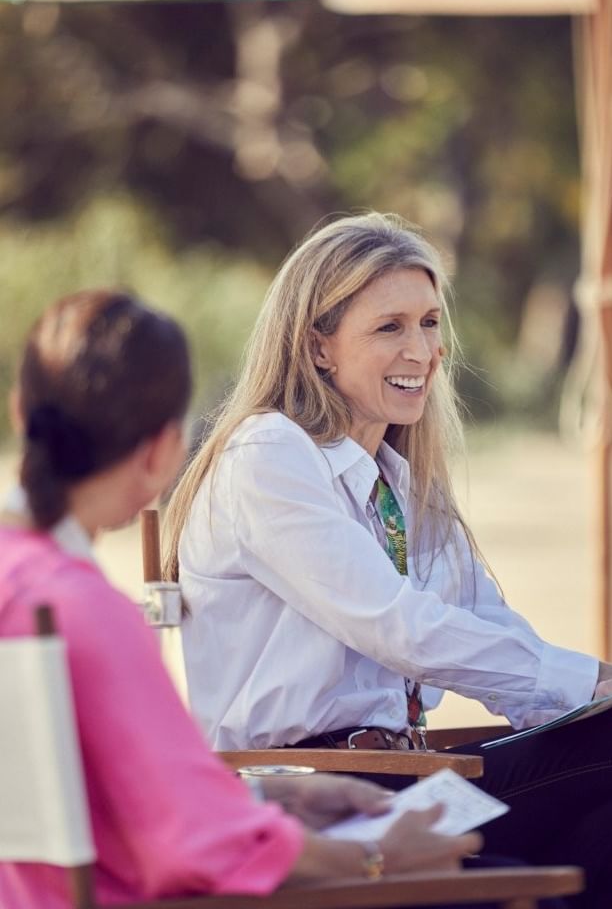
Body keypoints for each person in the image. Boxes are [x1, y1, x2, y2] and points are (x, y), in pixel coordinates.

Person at [167, 212, 612, 909]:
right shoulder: (269, 454)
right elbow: (399, 626)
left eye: (430, 323)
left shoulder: (401, 485)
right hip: (319, 794)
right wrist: (598, 689)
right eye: (390, 327)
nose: (422, 350)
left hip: (413, 771)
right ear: (318, 348)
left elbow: (493, 631)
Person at [0, 288, 484, 909]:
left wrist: (279, 796)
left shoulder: (29, 592)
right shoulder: (84, 613)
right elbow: (199, 846)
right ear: (162, 452)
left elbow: (123, 799)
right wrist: (378, 858)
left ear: (19, 411)